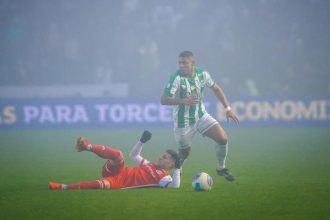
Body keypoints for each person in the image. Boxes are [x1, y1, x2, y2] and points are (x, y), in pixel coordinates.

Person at [161, 51, 240, 181]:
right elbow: (164, 100)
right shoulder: (176, 78)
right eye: (179, 63)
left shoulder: (202, 74)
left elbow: (216, 89)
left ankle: (221, 168)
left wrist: (228, 109)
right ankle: (178, 170)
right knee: (185, 153)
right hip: (183, 122)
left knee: (223, 139)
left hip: (201, 116)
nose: (181, 65)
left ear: (193, 63)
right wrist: (183, 101)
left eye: (184, 63)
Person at [49, 131, 181, 190]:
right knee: (119, 155)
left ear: (171, 164)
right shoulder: (150, 165)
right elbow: (133, 156)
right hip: (119, 170)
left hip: (120, 183)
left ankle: (64, 187)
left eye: (165, 157)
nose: (160, 157)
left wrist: (177, 169)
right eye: (162, 155)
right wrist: (142, 141)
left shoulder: (165, 178)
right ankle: (86, 146)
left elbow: (175, 186)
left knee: (101, 184)